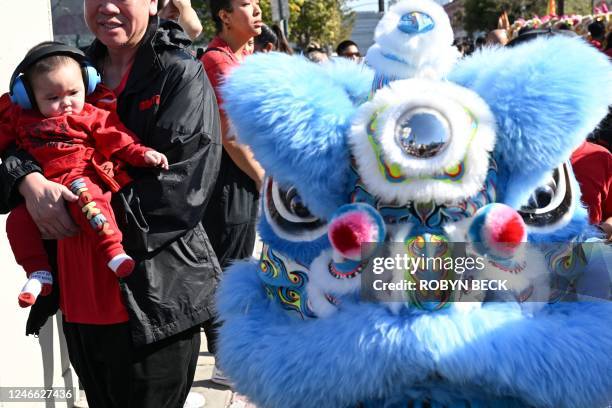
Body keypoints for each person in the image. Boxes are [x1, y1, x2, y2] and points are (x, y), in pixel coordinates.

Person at [0, 0, 222, 406]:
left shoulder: (178, 72)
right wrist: (29, 182)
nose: (106, 7)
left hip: (153, 299)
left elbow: (180, 191)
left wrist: (75, 210)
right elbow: (15, 142)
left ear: (154, 2)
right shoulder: (66, 69)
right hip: (79, 301)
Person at [1, 42, 168, 308]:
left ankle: (113, 251)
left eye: (73, 93)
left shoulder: (92, 114)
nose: (65, 103)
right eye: (52, 98)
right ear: (28, 97)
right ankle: (37, 272)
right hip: (44, 186)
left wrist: (142, 153)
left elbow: (119, 139)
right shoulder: (21, 119)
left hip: (80, 176)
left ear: (88, 85)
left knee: (90, 201)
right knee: (17, 222)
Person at [199, 0, 264, 386]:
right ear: (224, 16)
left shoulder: (240, 58)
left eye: (257, 3)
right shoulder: (217, 62)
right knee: (228, 267)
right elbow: (230, 136)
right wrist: (262, 177)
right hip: (231, 179)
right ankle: (225, 360)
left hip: (244, 177)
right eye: (245, 4)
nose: (256, 10)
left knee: (238, 262)